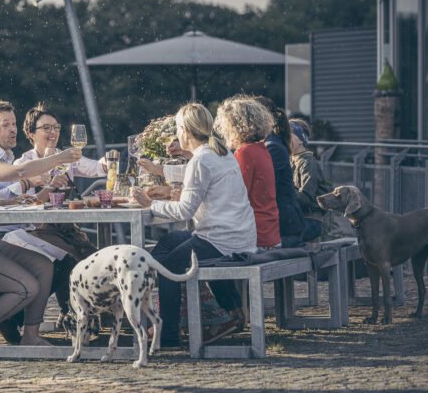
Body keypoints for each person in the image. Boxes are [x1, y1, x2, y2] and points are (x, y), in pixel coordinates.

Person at [131, 103, 256, 348]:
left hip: (221, 239)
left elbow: (184, 211)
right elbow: (194, 171)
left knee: (168, 264)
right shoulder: (218, 152)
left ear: (185, 131)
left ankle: (167, 335)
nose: (177, 134)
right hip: (236, 234)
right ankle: (191, 317)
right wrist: (177, 160)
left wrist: (149, 205)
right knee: (166, 245)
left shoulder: (202, 160)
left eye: (178, 129)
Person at [0, 103, 83, 349]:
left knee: (43, 267)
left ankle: (31, 336)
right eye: (4, 125)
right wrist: (59, 157)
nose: (9, 131)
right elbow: (18, 172)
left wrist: (12, 200)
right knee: (25, 288)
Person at [7, 104, 106, 326]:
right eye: (46, 128)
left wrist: (108, 162)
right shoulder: (22, 164)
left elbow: (96, 169)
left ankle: (90, 314)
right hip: (35, 230)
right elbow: (26, 207)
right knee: (72, 256)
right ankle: (72, 313)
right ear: (31, 134)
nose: (53, 133)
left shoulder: (66, 157)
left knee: (95, 257)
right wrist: (50, 187)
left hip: (65, 228)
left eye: (56, 127)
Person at [214, 95, 281, 251]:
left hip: (255, 236)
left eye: (225, 126)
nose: (223, 131)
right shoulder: (260, 149)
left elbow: (236, 196)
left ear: (236, 126)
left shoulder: (245, 152)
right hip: (269, 233)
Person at [252, 96, 307, 247]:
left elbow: (265, 189)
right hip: (281, 223)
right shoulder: (269, 144)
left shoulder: (272, 147)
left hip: (285, 225)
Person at [289, 118, 332, 242]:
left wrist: (284, 195)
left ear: (301, 140)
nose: (285, 138)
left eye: (289, 135)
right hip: (298, 217)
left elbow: (306, 198)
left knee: (282, 241)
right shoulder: (290, 160)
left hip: (311, 220)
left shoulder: (308, 162)